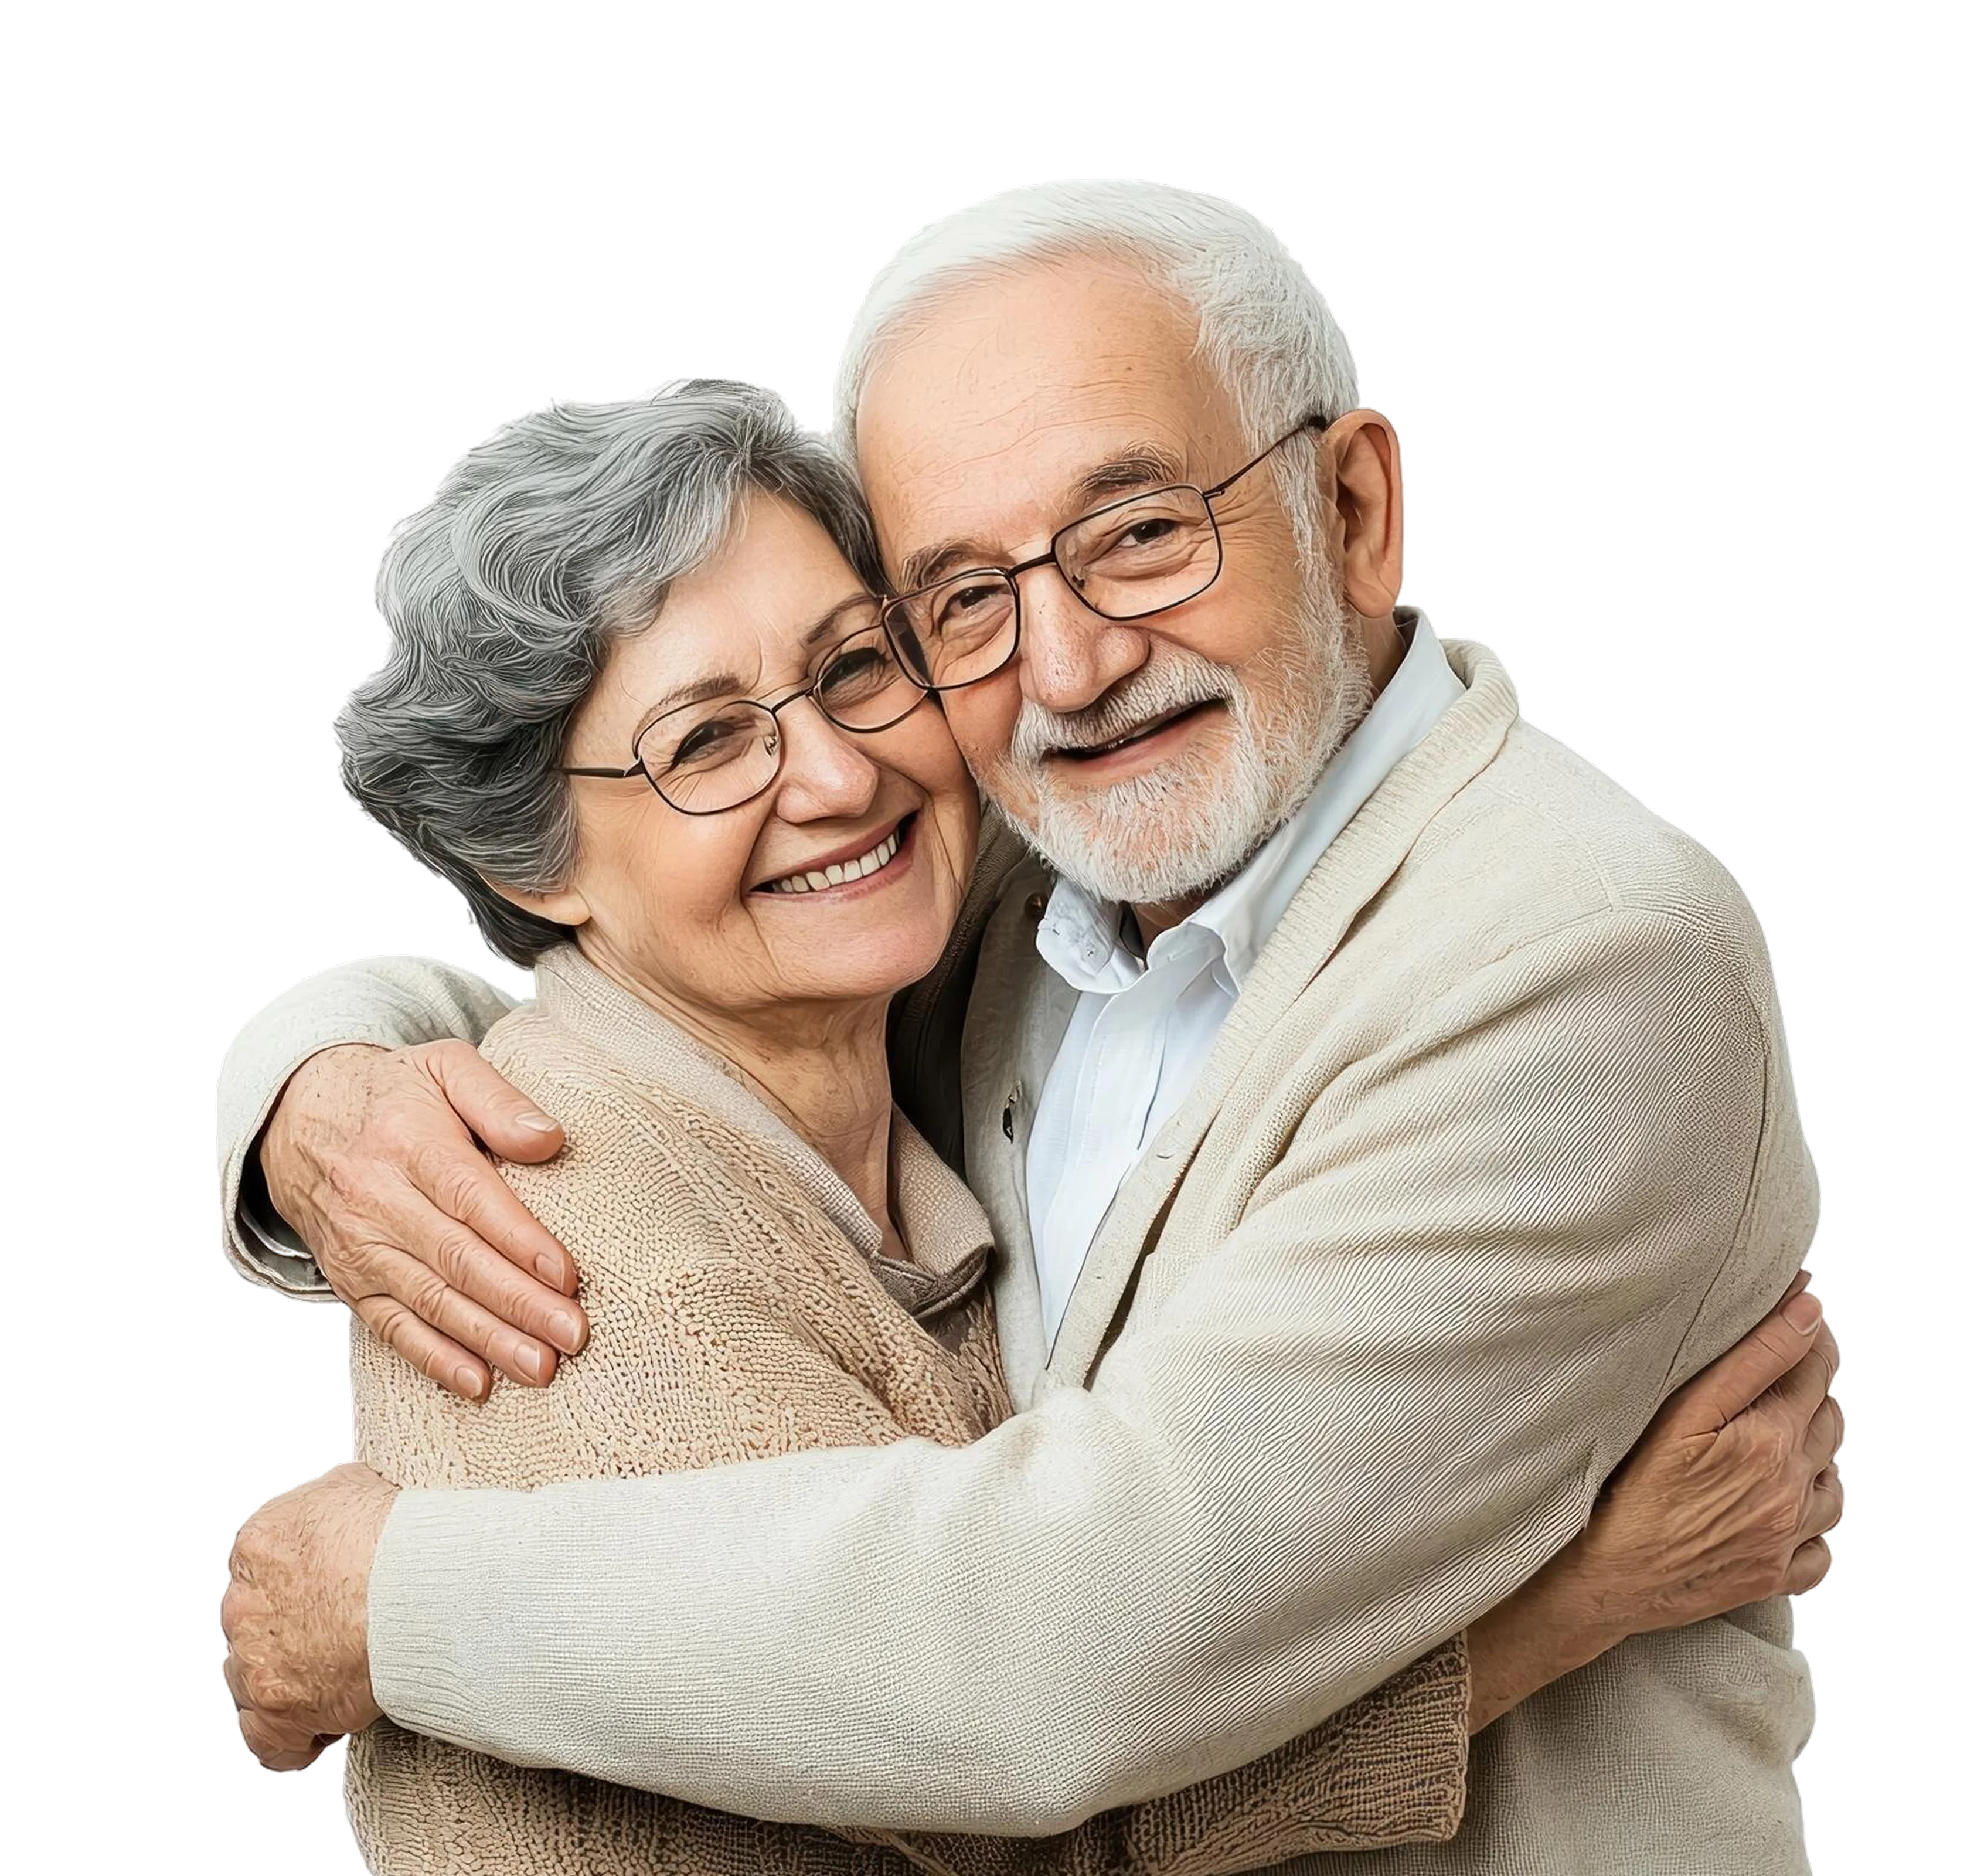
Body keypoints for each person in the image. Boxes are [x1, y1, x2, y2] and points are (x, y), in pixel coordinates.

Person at [219, 181, 1840, 1871]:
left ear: (1353, 509)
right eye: (961, 599)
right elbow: (666, 977)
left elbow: (1051, 1664)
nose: (1064, 669)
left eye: (1139, 533)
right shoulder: (1021, 873)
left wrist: (390, 1599)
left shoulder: (1575, 958)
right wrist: (314, 1078)